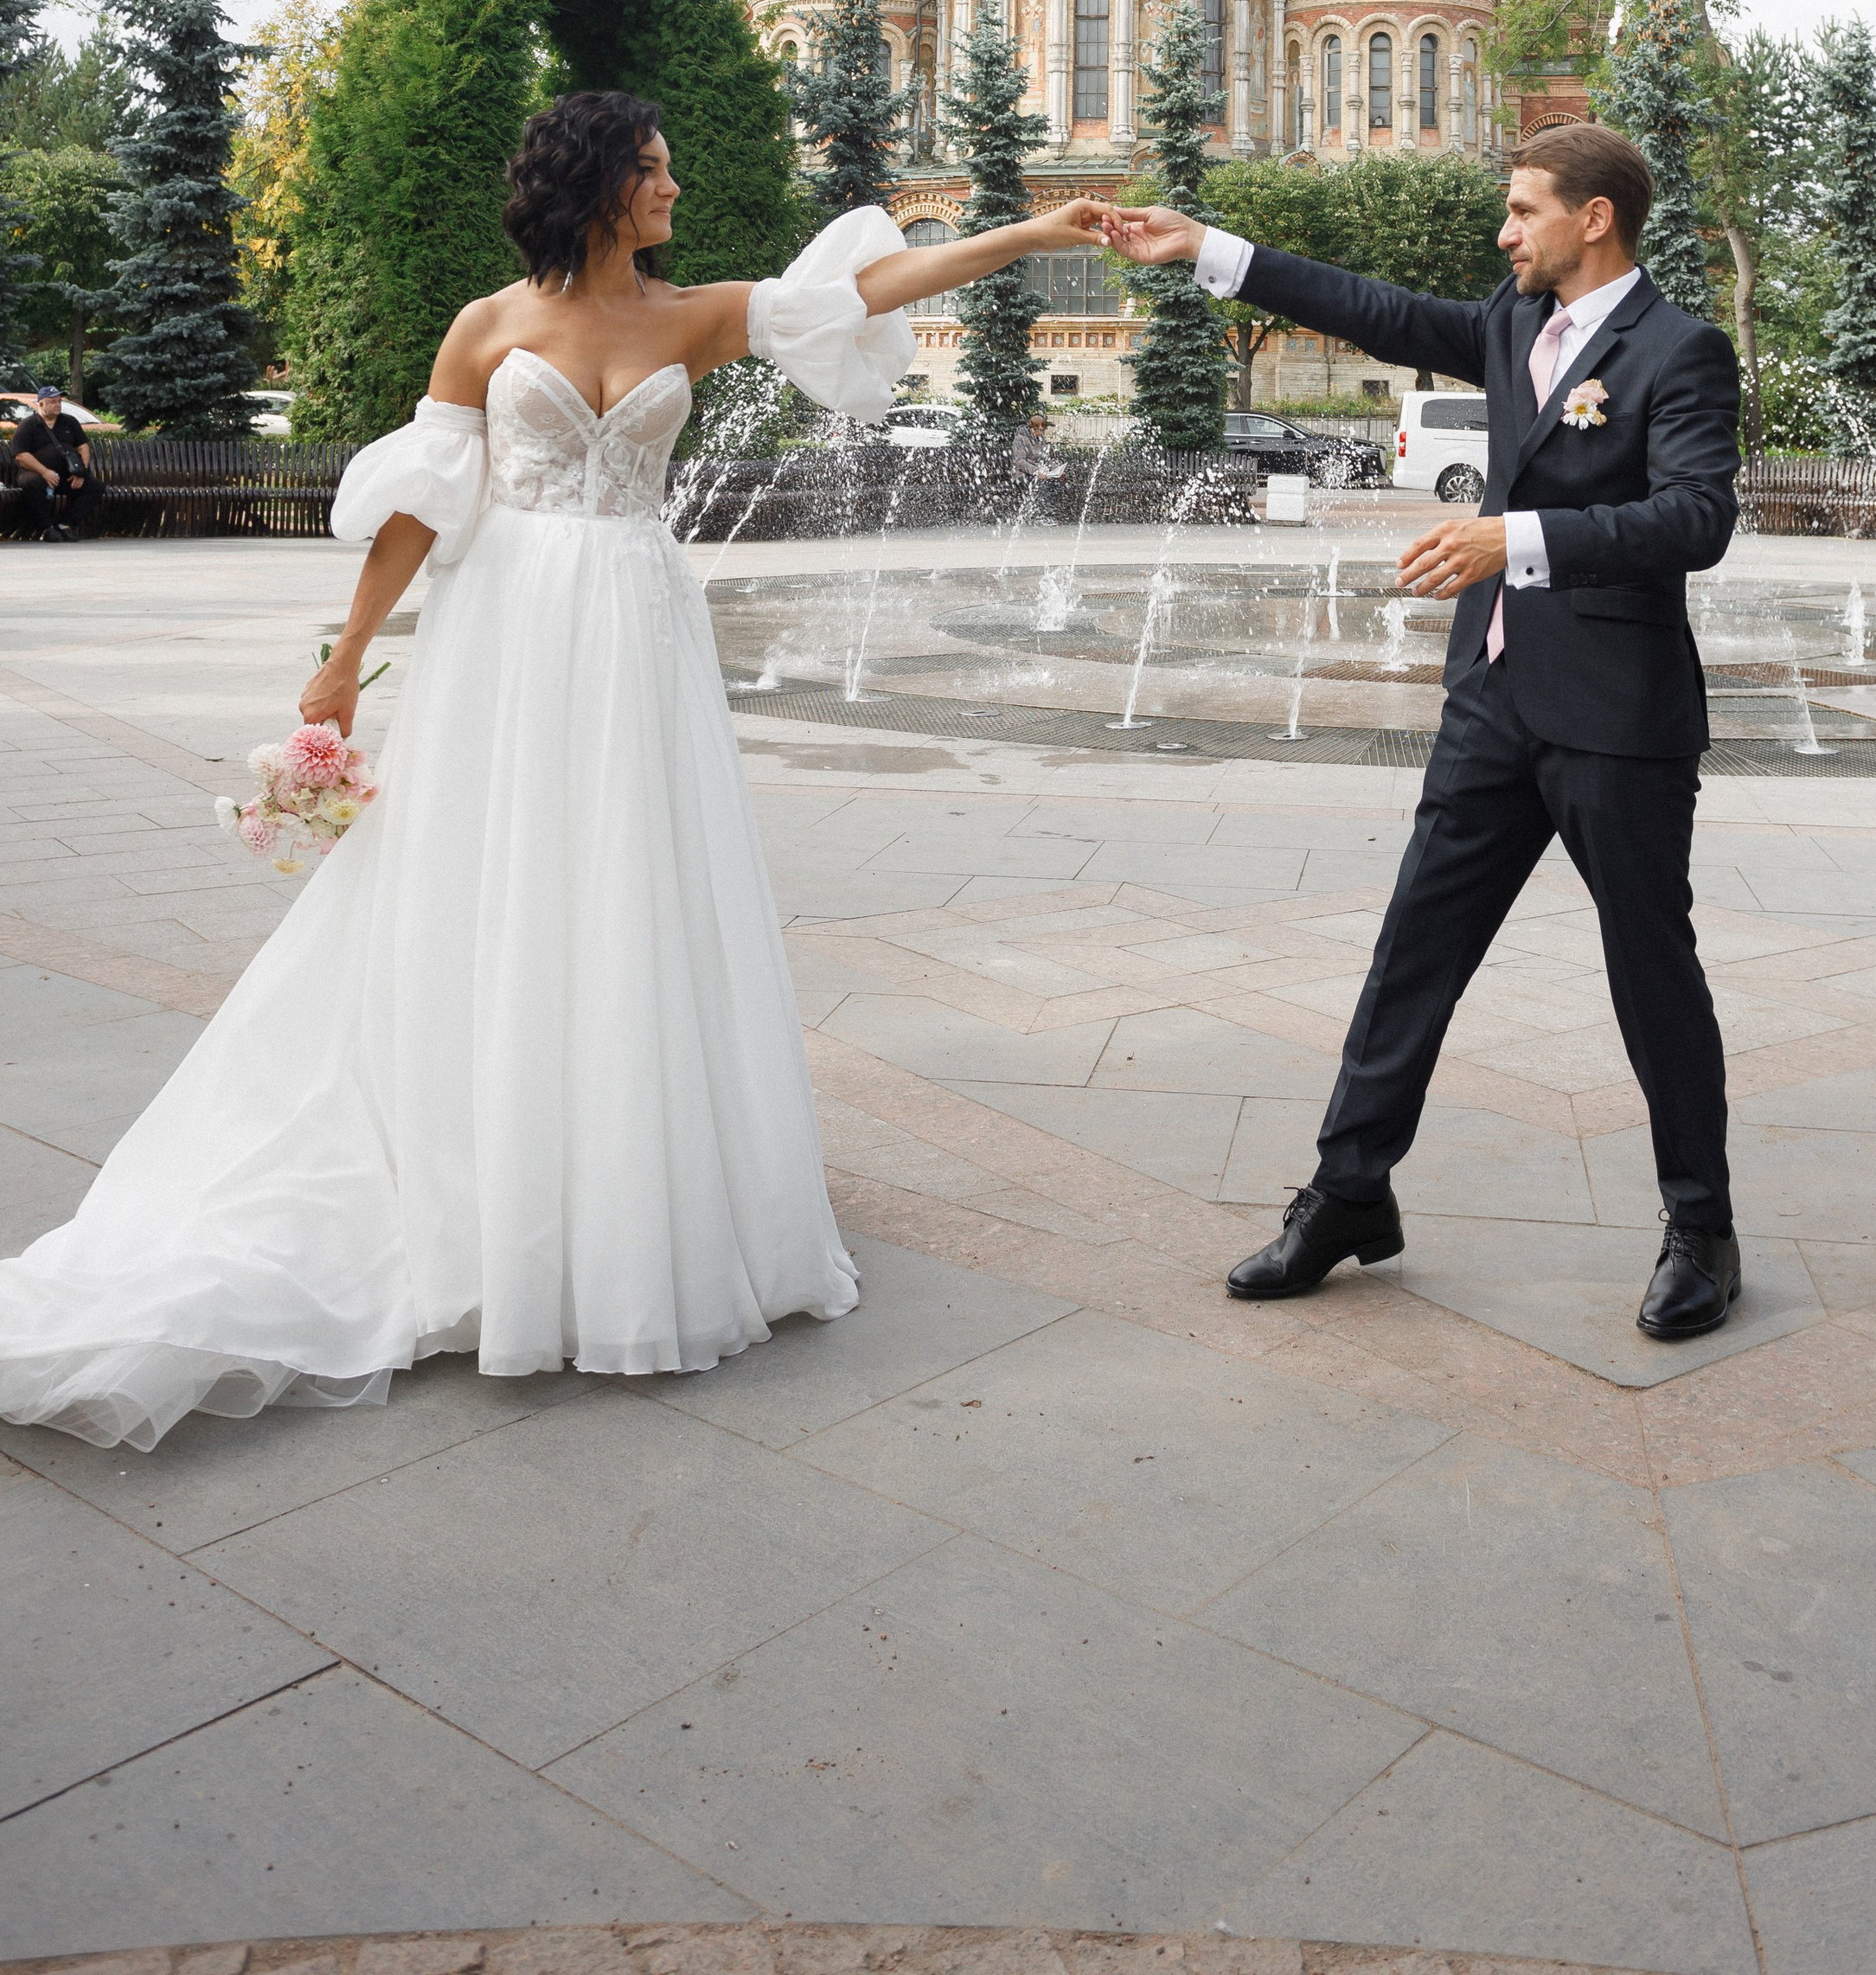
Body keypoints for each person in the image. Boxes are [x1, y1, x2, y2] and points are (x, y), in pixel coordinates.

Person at [0, 92, 1120, 1450]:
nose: (673, 194)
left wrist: (1033, 231)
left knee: (632, 886)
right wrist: (347, 655)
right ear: (597, 186)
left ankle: (620, 1187)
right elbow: (423, 503)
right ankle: (480, 1185)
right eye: (655, 173)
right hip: (508, 631)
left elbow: (879, 280)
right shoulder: (488, 326)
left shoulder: (693, 313)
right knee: (497, 878)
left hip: (637, 628)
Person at [1109, 120, 1744, 1343]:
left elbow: (1697, 518)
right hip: (1492, 698)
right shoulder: (1509, 326)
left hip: (1618, 718)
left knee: (1649, 971)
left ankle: (1701, 1230)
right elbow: (1379, 311)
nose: (1503, 232)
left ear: (1592, 219)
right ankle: (1350, 1192)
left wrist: (1520, 540)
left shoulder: (1680, 349)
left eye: (1522, 210)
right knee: (1414, 950)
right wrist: (1209, 251)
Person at [7, 384, 95, 538]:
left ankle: (67, 524)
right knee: (32, 484)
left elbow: (83, 446)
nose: (57, 405)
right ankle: (46, 528)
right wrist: (45, 472)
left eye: (59, 401)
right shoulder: (28, 425)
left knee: (94, 486)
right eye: (52, 402)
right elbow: (21, 455)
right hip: (36, 473)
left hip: (65, 475)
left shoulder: (70, 422)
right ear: (40, 404)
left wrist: (81, 471)